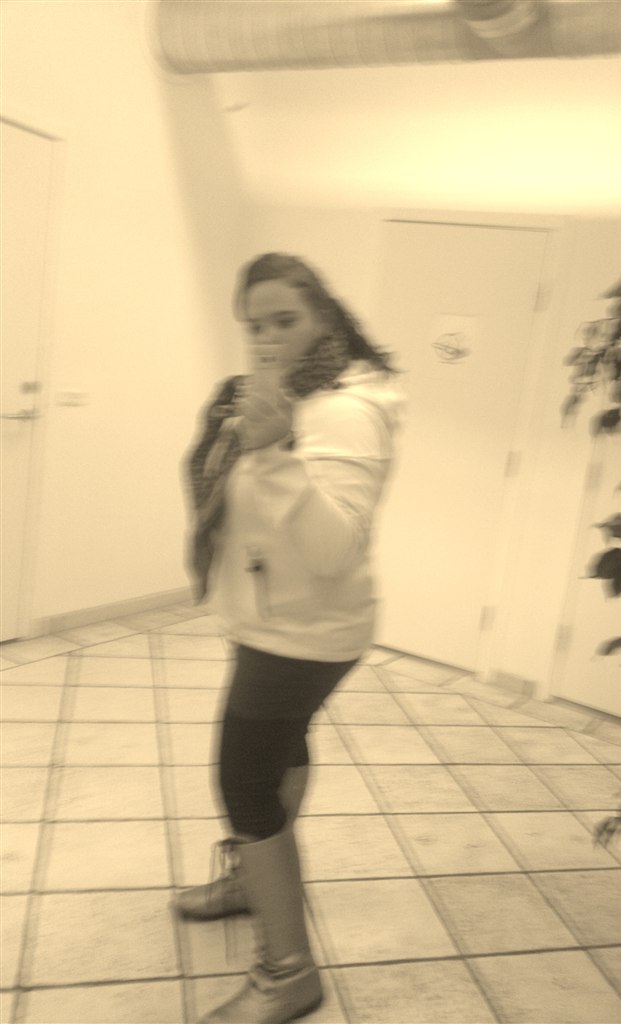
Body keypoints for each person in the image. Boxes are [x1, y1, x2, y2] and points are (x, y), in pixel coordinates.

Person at [175, 253, 404, 1024]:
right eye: (255, 325)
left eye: (286, 321)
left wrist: (272, 452)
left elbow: (333, 548)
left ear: (324, 318)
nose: (267, 339)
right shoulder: (286, 398)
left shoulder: (343, 412)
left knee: (243, 779)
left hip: (304, 633)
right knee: (278, 750)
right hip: (276, 619)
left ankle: (288, 973)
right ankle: (253, 881)